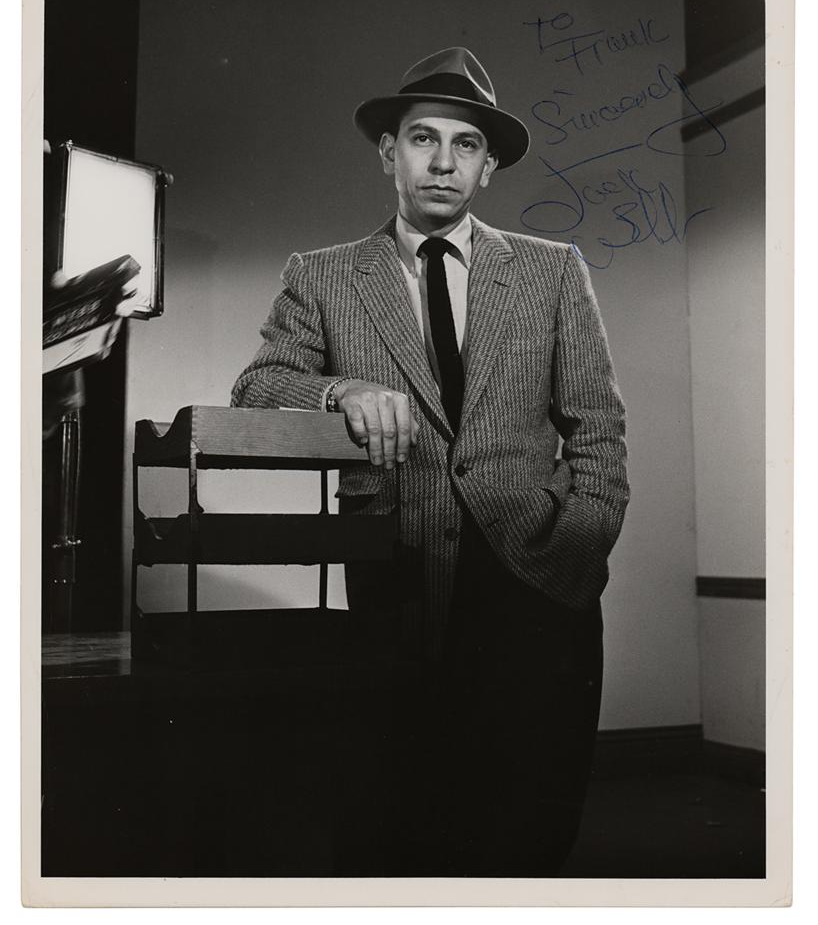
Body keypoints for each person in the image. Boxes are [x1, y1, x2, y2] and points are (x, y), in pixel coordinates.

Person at [232, 47, 629, 877]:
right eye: (423, 139)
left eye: (466, 145)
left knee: (532, 823)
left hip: (538, 581)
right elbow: (257, 387)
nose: (443, 162)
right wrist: (339, 389)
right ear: (390, 152)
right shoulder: (322, 276)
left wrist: (577, 547)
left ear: (487, 167)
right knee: (404, 819)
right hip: (397, 582)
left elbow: (598, 427)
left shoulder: (553, 271)